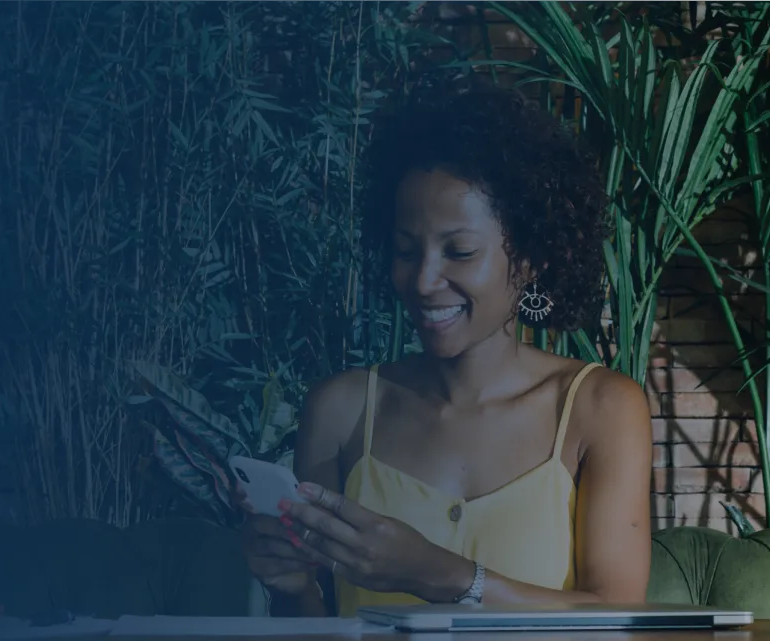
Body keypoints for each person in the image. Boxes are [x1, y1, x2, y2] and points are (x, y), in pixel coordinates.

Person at [235, 76, 654, 618]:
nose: (424, 280)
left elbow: (620, 617)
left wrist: (448, 577)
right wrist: (291, 588)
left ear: (530, 258)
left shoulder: (601, 408)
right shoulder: (342, 411)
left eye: (459, 252)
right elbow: (318, 631)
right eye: (407, 251)